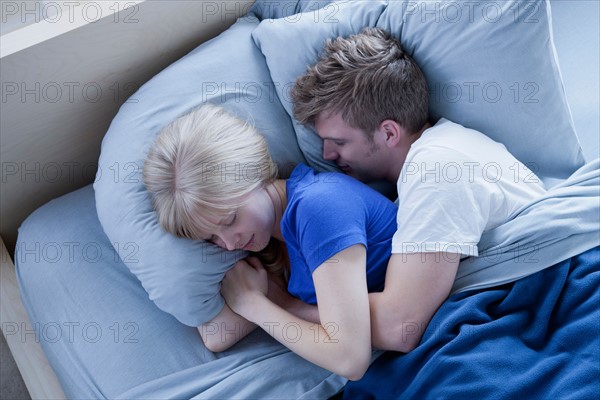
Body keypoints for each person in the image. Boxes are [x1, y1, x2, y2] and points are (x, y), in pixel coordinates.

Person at [290, 27, 547, 352]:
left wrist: (285, 308)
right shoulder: (444, 151)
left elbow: (400, 328)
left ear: (388, 132)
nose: (327, 155)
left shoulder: (435, 168)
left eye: (339, 142)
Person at [143, 103, 398, 380]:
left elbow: (350, 359)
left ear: (254, 175)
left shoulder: (318, 206)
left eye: (230, 219)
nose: (229, 243)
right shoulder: (273, 244)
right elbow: (217, 336)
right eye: (211, 238)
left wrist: (257, 305)